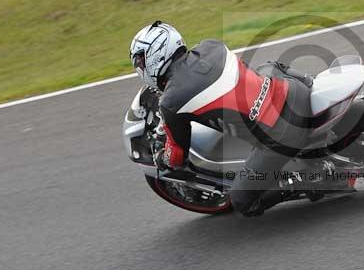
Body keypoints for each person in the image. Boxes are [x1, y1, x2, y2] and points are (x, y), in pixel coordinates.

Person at [130, 21, 312, 216]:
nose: (140, 68)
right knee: (265, 67)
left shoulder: (172, 101)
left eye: (141, 62)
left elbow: (176, 155)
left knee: (242, 202)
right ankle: (312, 81)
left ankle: (308, 183)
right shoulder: (211, 46)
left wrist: (161, 158)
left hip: (283, 134)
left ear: (154, 57)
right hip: (293, 90)